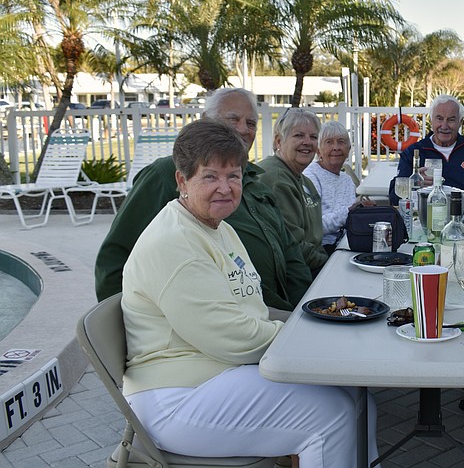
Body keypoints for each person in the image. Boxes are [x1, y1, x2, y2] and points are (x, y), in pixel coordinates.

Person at [121, 119, 379, 465]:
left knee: (359, 398)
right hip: (178, 396)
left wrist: (315, 331)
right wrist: (306, 340)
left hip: (220, 373)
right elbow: (228, 337)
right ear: (182, 181)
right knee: (332, 417)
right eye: (210, 177)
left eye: (233, 176)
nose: (225, 188)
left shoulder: (218, 228)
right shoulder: (176, 242)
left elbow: (252, 308)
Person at [95, 88, 312, 315]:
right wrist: (124, 323)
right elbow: (115, 256)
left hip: (276, 312)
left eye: (251, 123)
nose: (243, 129)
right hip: (221, 320)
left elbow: (290, 252)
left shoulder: (256, 182)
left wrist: (307, 307)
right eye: (233, 119)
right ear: (206, 120)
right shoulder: (168, 174)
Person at [388, 94, 464, 208]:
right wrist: (413, 183)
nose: (444, 126)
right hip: (424, 219)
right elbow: (395, 198)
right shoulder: (413, 153)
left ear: (460, 122)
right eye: (439, 119)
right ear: (431, 120)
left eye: (451, 120)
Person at [258, 109, 328, 274]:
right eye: (298, 135)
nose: (307, 142)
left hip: (312, 262)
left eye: (313, 137)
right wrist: (330, 263)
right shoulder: (277, 180)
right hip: (296, 275)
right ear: (279, 141)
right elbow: (293, 247)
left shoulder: (303, 180)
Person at [303, 120, 374, 252]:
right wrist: (349, 212)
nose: (336, 147)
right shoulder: (310, 177)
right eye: (329, 142)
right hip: (322, 251)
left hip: (349, 245)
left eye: (341, 142)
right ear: (318, 150)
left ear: (349, 149)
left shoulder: (347, 180)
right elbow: (312, 227)